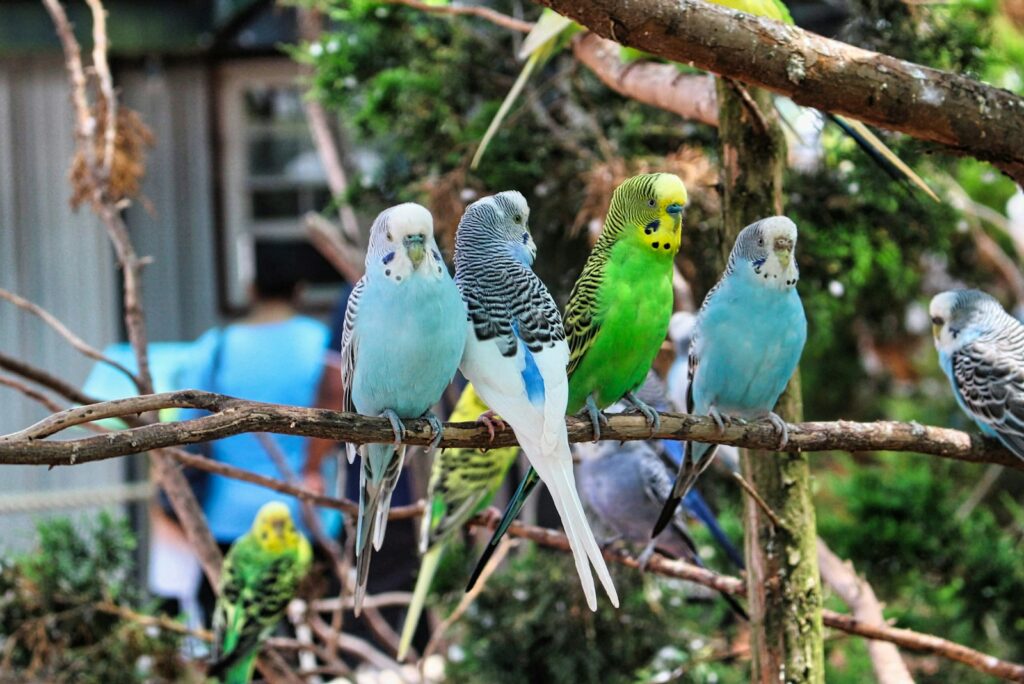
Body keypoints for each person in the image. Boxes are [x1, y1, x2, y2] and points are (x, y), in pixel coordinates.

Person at [180, 250, 341, 622]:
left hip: (229, 520)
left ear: (250, 289)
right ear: (300, 291)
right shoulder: (321, 345)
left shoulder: (217, 348)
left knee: (237, 638)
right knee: (309, 644)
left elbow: (186, 426)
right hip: (307, 514)